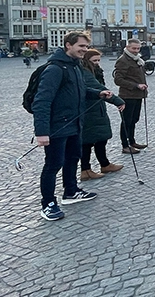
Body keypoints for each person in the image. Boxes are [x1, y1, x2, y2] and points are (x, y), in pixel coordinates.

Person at [32, 31, 111, 221]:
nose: (84, 50)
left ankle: (71, 191)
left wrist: (98, 94)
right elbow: (41, 101)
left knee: (73, 158)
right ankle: (48, 204)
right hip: (57, 127)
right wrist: (42, 132)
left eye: (86, 46)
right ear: (68, 45)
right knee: (53, 165)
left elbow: (80, 91)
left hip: (75, 123)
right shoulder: (55, 69)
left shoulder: (75, 67)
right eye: (81, 46)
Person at [79, 49, 126, 180]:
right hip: (88, 110)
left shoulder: (94, 71)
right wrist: (117, 101)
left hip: (96, 108)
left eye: (99, 60)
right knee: (87, 142)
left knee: (101, 138)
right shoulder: (85, 72)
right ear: (86, 60)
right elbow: (98, 88)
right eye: (94, 60)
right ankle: (85, 170)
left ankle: (104, 164)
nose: (97, 63)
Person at [114, 38, 149, 154]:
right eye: (133, 48)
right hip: (127, 95)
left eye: (138, 48)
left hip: (138, 95)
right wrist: (136, 85)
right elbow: (118, 80)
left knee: (134, 119)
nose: (136, 50)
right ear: (127, 47)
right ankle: (125, 145)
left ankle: (132, 141)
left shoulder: (137, 59)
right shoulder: (123, 60)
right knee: (126, 121)